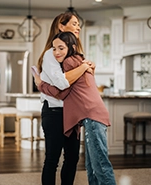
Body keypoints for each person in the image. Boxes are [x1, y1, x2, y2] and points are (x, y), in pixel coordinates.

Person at [37, 31, 117, 185]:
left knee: (99, 163)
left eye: (61, 48)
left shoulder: (69, 63)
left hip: (91, 116)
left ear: (71, 46)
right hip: (92, 116)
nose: (56, 52)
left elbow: (61, 91)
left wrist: (41, 84)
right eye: (54, 48)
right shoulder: (80, 61)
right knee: (92, 165)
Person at [36, 12, 95, 185]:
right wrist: (83, 67)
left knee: (73, 158)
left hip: (72, 114)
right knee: (52, 160)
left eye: (78, 24)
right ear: (62, 26)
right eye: (75, 23)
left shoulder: (74, 56)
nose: (79, 27)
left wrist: (89, 67)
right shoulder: (50, 54)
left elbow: (82, 84)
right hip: (54, 113)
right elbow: (62, 84)